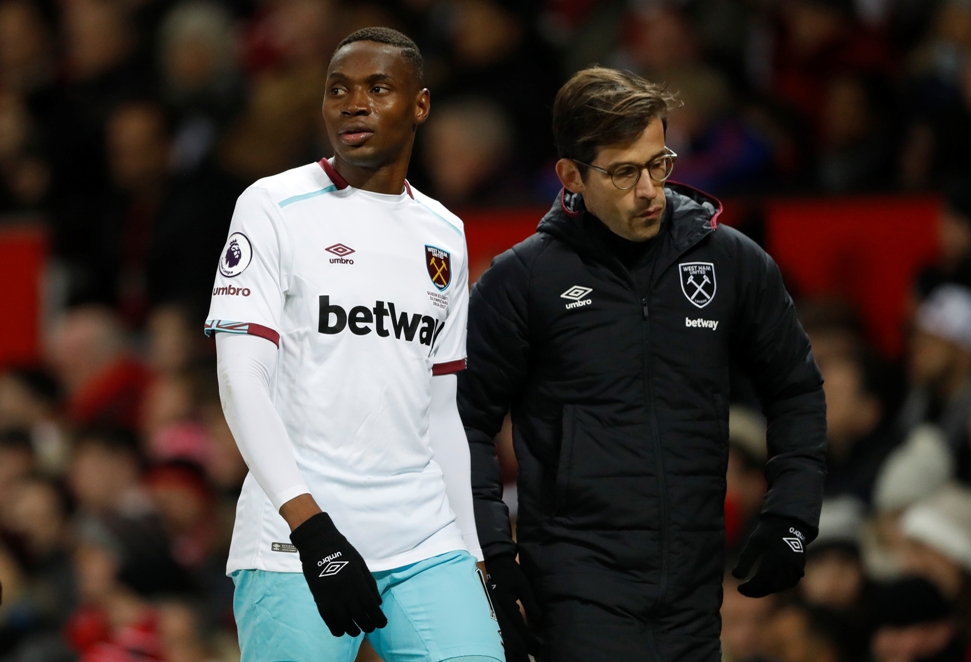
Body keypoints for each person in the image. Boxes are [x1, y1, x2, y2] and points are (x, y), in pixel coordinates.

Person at [458, 66, 827, 661]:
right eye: (625, 172)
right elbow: (466, 421)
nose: (651, 189)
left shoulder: (731, 261)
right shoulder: (521, 281)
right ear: (571, 176)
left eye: (659, 163)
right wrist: (494, 556)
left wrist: (791, 514)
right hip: (575, 589)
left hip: (695, 588)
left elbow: (797, 388)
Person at [205, 27, 503, 662]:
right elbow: (241, 381)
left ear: (419, 105)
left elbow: (443, 411)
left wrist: (476, 557)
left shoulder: (444, 232)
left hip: (423, 539)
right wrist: (310, 527)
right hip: (298, 540)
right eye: (337, 89)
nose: (352, 104)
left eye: (377, 88)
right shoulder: (272, 205)